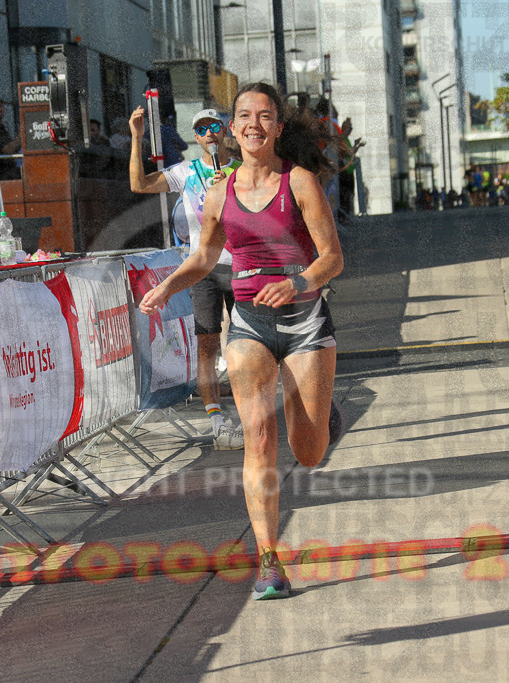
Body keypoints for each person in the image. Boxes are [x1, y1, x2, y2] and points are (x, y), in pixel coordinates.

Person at [138, 83, 344, 600]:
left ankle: (320, 417)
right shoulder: (217, 192)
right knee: (259, 438)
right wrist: (166, 286)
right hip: (249, 322)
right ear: (232, 128)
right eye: (244, 116)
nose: (253, 124)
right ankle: (269, 560)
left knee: (309, 450)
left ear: (277, 127)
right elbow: (205, 258)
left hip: (305, 323)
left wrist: (297, 282)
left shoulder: (299, 183)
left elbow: (332, 258)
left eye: (265, 116)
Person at [129, 106, 244, 450]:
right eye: (202, 129)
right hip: (203, 269)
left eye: (215, 126)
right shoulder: (187, 171)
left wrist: (232, 192)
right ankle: (217, 423)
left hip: (241, 266)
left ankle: (248, 414)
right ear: (196, 137)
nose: (209, 133)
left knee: (245, 346)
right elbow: (139, 184)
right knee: (208, 345)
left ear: (225, 131)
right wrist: (137, 137)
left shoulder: (243, 170)